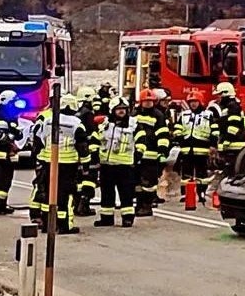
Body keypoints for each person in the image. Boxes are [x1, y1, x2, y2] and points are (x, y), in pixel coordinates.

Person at [32, 94, 88, 234]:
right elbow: (82, 146)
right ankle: (64, 226)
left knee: (48, 194)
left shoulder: (48, 120)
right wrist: (86, 165)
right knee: (66, 196)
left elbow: (38, 139)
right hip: (68, 164)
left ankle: (47, 224)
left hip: (48, 161)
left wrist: (38, 157)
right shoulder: (76, 123)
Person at [90, 97, 138, 227]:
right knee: (107, 193)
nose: (122, 111)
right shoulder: (105, 124)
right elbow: (95, 138)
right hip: (107, 165)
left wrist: (138, 157)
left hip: (125, 165)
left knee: (126, 193)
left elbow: (141, 140)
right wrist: (94, 154)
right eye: (119, 109)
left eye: (124, 109)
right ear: (113, 110)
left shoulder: (134, 124)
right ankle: (107, 218)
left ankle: (127, 218)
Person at [133, 89, 170, 217]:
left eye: (150, 101)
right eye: (146, 101)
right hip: (137, 153)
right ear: (141, 102)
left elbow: (163, 136)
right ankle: (139, 204)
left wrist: (162, 152)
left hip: (151, 153)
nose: (148, 103)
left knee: (149, 183)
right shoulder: (134, 114)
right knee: (137, 182)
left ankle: (147, 206)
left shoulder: (158, 115)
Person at [176, 89, 213, 204]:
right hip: (187, 149)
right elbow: (178, 128)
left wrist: (212, 144)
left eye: (195, 101)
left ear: (200, 102)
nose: (193, 104)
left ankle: (201, 193)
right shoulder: (184, 115)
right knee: (186, 174)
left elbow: (215, 130)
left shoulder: (208, 115)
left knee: (202, 174)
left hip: (202, 149)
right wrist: (179, 139)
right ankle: (186, 194)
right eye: (191, 101)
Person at [210, 82, 245, 176]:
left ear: (225, 94)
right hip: (231, 145)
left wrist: (226, 140)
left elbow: (233, 126)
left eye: (219, 95)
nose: (217, 98)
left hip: (234, 146)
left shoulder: (233, 107)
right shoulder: (229, 106)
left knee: (231, 173)